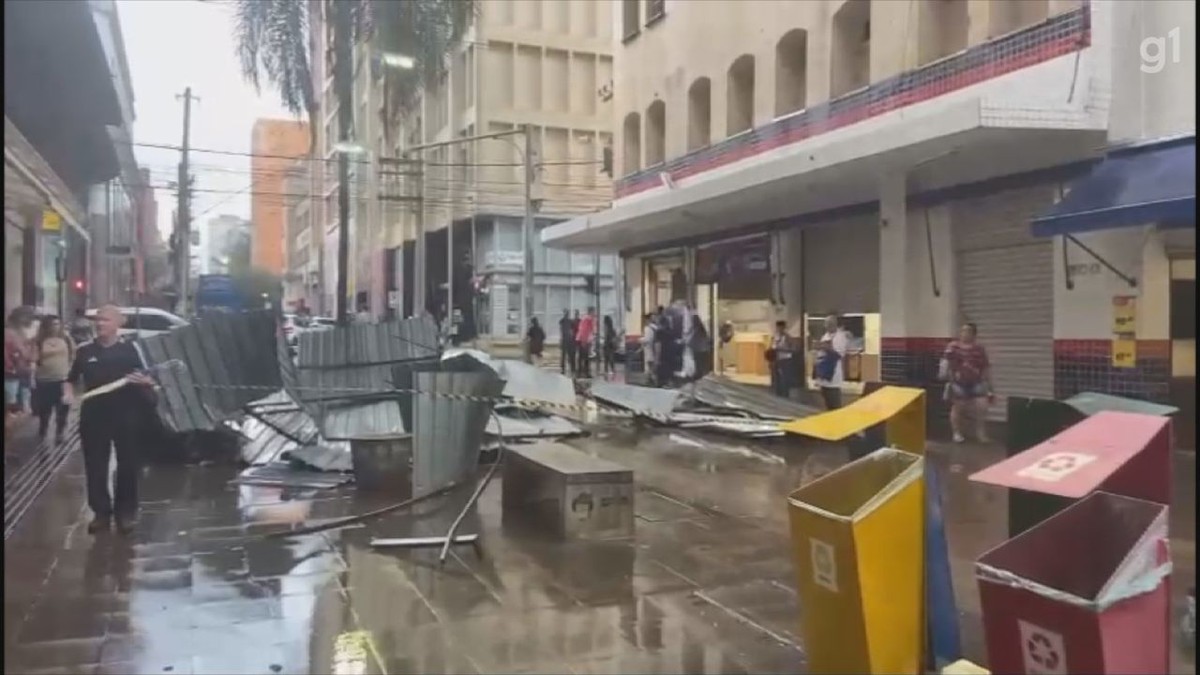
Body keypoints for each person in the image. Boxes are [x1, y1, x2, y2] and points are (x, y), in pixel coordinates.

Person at [65, 305, 159, 534]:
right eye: (98, 320)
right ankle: (101, 513)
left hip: (126, 415)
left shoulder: (131, 351)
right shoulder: (85, 351)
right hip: (94, 416)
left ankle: (125, 513)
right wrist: (67, 393)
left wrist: (146, 382)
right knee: (95, 466)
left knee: (128, 465)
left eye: (105, 320)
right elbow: (70, 379)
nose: (100, 324)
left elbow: (148, 378)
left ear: (118, 323)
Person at [940, 322, 994, 443]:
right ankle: (957, 433)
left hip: (977, 381)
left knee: (982, 406)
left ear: (974, 334)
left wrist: (989, 386)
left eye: (968, 331)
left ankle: (980, 433)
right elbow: (946, 362)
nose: (964, 334)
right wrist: (947, 378)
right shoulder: (953, 347)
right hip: (958, 382)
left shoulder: (979, 349)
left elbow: (985, 366)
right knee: (958, 407)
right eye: (963, 331)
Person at [32, 315, 75, 443]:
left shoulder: (66, 339)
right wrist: (32, 377)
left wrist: (71, 372)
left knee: (63, 408)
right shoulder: (39, 341)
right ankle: (43, 429)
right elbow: (34, 360)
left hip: (63, 379)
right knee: (45, 409)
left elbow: (73, 354)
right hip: (45, 380)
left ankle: (60, 431)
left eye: (57, 324)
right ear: (46, 326)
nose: (55, 327)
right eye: (52, 324)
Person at [5, 306, 37, 417]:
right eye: (29, 318)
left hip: (19, 371)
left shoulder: (19, 332)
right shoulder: (11, 333)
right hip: (12, 372)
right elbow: (21, 352)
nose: (31, 321)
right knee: (12, 403)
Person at [813, 315, 850, 410]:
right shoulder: (825, 336)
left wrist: (827, 348)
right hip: (823, 373)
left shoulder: (840, 337)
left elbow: (839, 354)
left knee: (835, 404)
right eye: (826, 324)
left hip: (833, 374)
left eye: (829, 324)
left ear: (834, 324)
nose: (827, 326)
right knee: (827, 402)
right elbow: (821, 353)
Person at [767, 321, 795, 398]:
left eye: (781, 328)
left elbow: (793, 349)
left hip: (785, 360)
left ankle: (785, 395)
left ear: (784, 328)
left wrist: (782, 349)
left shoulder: (787, 337)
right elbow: (770, 347)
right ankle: (777, 394)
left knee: (784, 379)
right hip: (776, 360)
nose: (779, 329)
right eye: (778, 328)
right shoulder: (774, 337)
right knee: (776, 379)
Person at [575, 308, 596, 378]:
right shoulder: (588, 319)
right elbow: (584, 330)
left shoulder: (585, 319)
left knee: (582, 357)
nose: (594, 313)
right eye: (593, 312)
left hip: (582, 340)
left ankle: (580, 372)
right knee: (585, 358)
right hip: (584, 340)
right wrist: (584, 341)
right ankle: (585, 373)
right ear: (590, 312)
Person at [641, 312, 660, 386]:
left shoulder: (648, 328)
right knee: (652, 365)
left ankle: (652, 380)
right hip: (655, 348)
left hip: (649, 348)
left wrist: (640, 340)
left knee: (649, 365)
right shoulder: (656, 327)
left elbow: (647, 339)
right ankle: (651, 380)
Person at [558, 310, 575, 376]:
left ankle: (566, 368)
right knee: (566, 355)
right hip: (567, 339)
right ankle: (567, 368)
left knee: (566, 355)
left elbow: (570, 330)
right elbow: (562, 331)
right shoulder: (565, 321)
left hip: (567, 339)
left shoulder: (564, 321)